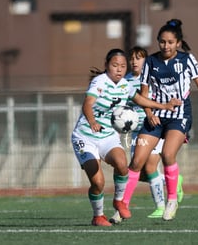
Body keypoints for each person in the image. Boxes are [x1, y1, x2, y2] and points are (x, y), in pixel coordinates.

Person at [71, 48, 181, 226]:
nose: (119, 69)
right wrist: (91, 121)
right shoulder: (99, 82)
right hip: (85, 137)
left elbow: (139, 100)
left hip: (107, 135)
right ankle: (98, 216)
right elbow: (87, 104)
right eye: (115, 65)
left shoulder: (125, 84)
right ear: (106, 65)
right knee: (98, 182)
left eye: (122, 66)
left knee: (122, 164)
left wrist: (163, 106)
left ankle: (119, 201)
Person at [118, 19, 198, 221]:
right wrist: (149, 113)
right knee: (136, 162)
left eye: (170, 42)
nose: (165, 46)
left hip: (179, 116)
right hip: (156, 116)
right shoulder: (150, 62)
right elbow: (144, 93)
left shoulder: (187, 60)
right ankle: (122, 206)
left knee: (168, 155)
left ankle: (171, 201)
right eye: (162, 42)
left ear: (177, 43)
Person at [110, 46, 184, 224]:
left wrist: (152, 113)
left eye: (139, 57)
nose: (135, 61)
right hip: (135, 130)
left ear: (146, 60)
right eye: (133, 58)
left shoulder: (152, 78)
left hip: (153, 127)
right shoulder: (125, 81)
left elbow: (158, 98)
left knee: (150, 167)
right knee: (137, 168)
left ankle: (160, 206)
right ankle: (171, 181)